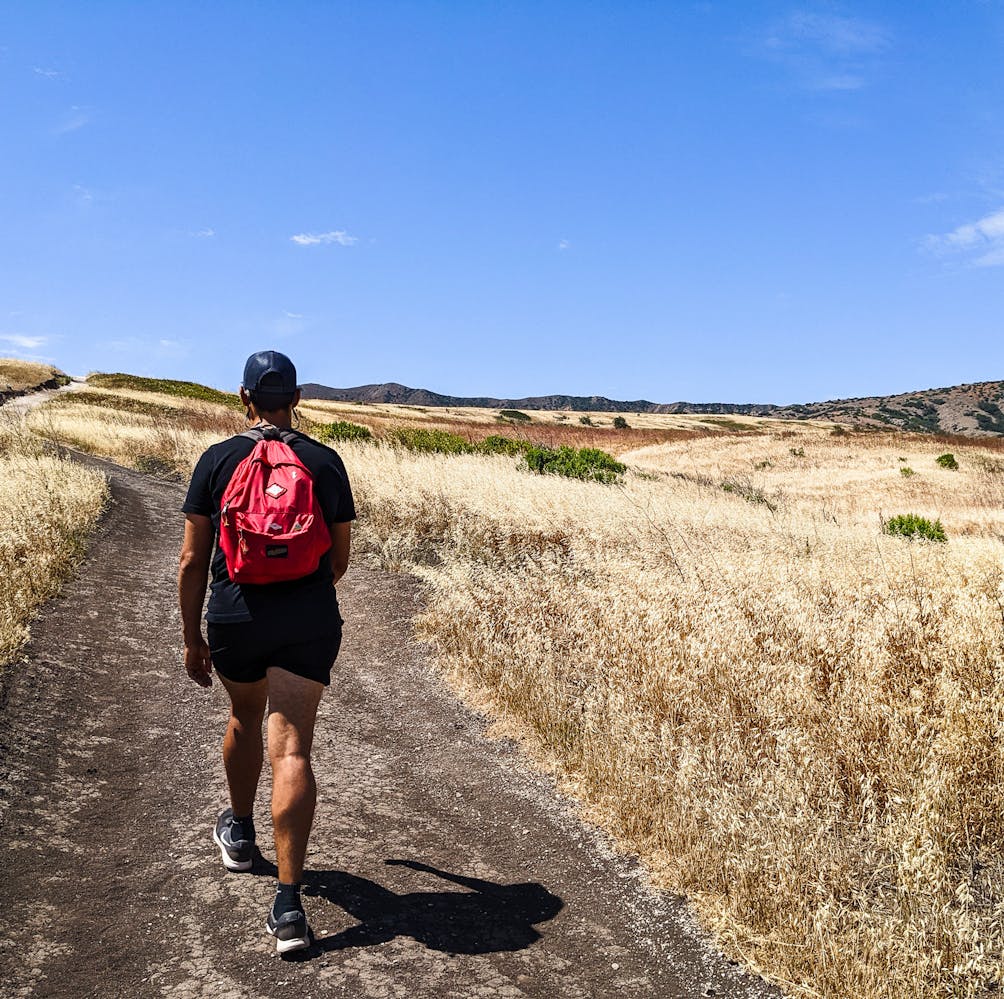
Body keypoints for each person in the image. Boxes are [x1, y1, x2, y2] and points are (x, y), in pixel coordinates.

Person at [178, 349, 355, 954]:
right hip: (307, 619)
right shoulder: (325, 462)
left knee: (243, 716)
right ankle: (287, 907)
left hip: (235, 616)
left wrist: (192, 636)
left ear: (244, 398)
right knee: (293, 749)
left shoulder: (217, 459)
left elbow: (191, 560)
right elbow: (338, 559)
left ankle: (241, 831)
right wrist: (300, 599)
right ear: (297, 399)